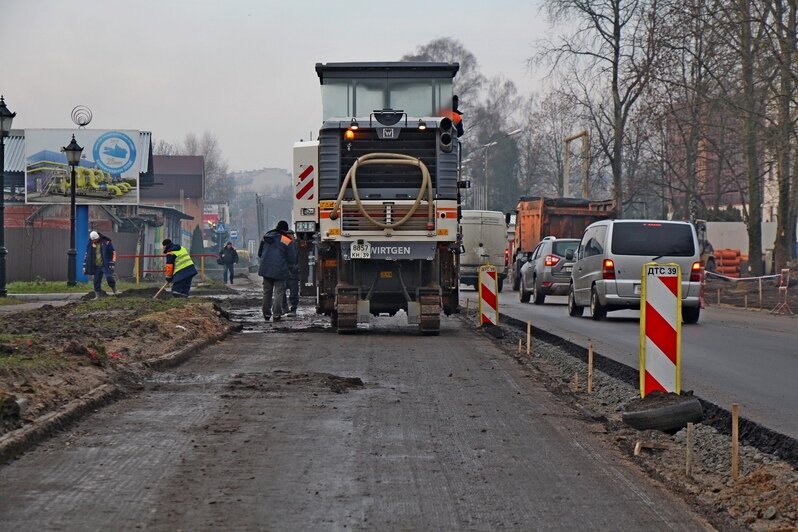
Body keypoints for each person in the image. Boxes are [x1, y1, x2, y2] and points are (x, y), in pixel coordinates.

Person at [258, 220, 296, 322]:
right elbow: (291, 257)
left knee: (267, 292)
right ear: (285, 229)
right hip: (280, 269)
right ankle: (276, 314)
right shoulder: (286, 239)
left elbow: (259, 253)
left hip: (265, 268)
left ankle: (266, 314)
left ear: (276, 227)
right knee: (279, 292)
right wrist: (291, 267)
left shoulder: (267, 236)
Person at [83, 230, 118, 299]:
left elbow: (113, 253)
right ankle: (97, 296)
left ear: (98, 237)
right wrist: (84, 265)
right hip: (96, 266)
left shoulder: (106, 242)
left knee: (109, 277)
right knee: (96, 281)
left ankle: (115, 291)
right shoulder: (90, 244)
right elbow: (87, 255)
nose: (94, 241)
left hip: (105, 265)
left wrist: (112, 262)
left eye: (95, 240)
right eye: (92, 240)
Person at [283, 230, 300, 316]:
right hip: (285, 272)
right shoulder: (283, 245)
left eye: (291, 235)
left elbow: (300, 258)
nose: (290, 237)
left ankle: (293, 309)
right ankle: (284, 308)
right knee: (282, 291)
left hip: (293, 273)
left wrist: (296, 268)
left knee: (294, 293)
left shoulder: (297, 245)